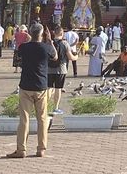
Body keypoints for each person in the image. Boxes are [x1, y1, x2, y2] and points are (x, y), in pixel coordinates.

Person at [6, 23, 57, 159]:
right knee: (42, 119)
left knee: (24, 119)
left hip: (26, 86)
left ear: (30, 33)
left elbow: (19, 55)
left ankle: (21, 149)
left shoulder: (24, 47)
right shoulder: (46, 48)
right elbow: (55, 57)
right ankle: (41, 148)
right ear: (42, 34)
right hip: (41, 86)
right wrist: (50, 41)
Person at [47, 25, 76, 115]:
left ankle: (45, 105)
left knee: (49, 88)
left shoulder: (49, 43)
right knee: (58, 88)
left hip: (49, 69)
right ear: (62, 33)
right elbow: (70, 57)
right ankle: (55, 107)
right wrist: (76, 57)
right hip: (61, 69)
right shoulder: (64, 43)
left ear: (54, 33)